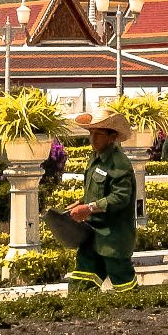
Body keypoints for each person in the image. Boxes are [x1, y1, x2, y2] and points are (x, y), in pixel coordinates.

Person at [66, 112, 137, 293]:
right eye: (91, 133)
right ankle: (78, 310)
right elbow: (97, 192)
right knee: (82, 278)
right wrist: (81, 203)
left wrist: (89, 208)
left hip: (113, 237)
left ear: (112, 137)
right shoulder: (96, 158)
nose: (93, 138)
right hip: (93, 233)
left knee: (123, 283)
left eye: (98, 134)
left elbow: (120, 197)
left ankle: (134, 312)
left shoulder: (119, 163)